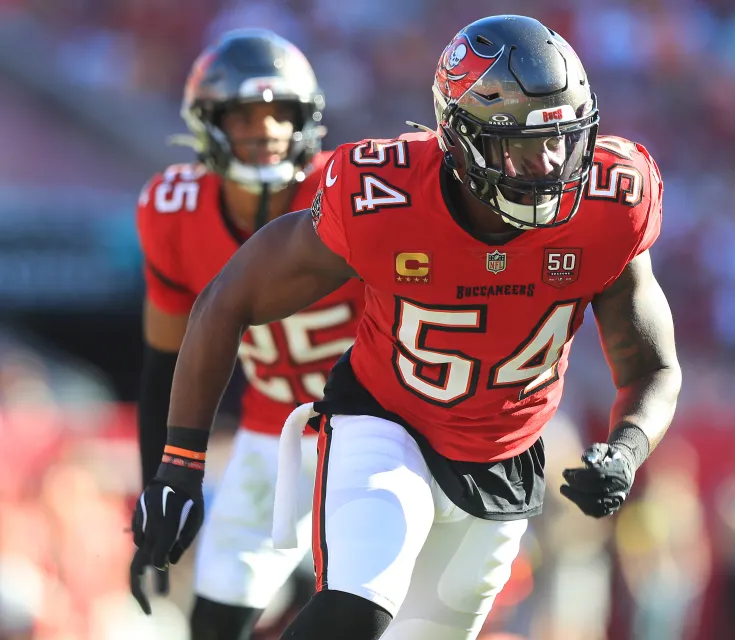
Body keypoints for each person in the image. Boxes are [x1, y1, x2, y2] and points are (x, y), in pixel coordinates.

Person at [131, 14, 682, 640]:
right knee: (356, 604)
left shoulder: (615, 198)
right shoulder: (383, 195)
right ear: (462, 136)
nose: (552, 164)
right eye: (524, 146)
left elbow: (653, 367)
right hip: (386, 419)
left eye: (564, 139)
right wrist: (178, 463)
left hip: (505, 448)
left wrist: (628, 448)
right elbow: (226, 299)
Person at [130, 29, 366, 638]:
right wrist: (157, 487)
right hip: (273, 436)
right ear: (209, 123)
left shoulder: (351, 193)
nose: (265, 132)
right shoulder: (172, 208)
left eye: (280, 114)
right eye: (244, 116)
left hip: (380, 431)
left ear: (306, 121)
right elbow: (165, 363)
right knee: (213, 621)